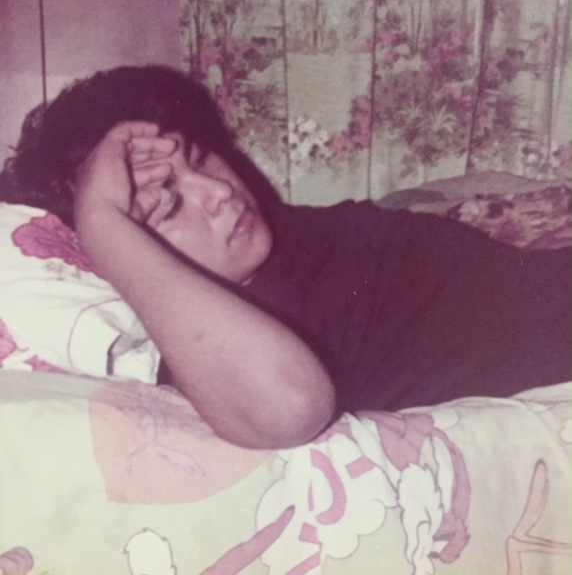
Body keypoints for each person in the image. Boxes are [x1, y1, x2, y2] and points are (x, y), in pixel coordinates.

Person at [0, 64, 570, 449]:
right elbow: (288, 406)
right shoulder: (209, 336)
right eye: (169, 203)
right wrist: (102, 222)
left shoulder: (302, 237)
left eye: (199, 158)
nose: (218, 191)